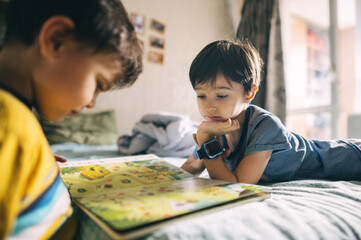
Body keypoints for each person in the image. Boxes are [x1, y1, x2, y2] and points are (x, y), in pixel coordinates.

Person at [0, 0, 142, 239]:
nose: (91, 103)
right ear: (56, 40)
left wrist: (36, 161)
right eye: (98, 84)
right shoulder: (10, 122)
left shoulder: (18, 121)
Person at [181, 40, 361, 184]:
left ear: (249, 93)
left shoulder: (266, 125)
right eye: (201, 96)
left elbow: (237, 185)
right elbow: (191, 165)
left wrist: (206, 143)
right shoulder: (215, 127)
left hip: (345, 158)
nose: (209, 106)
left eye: (221, 95)